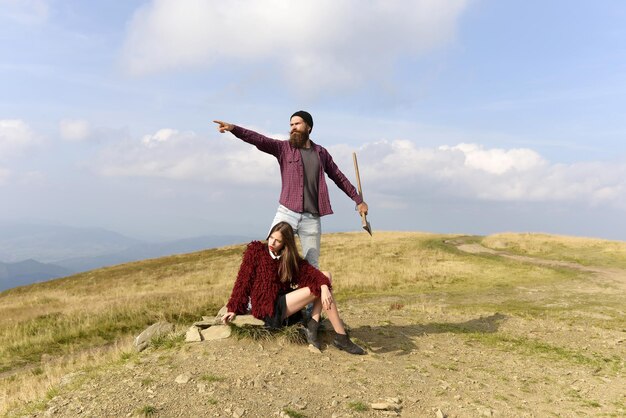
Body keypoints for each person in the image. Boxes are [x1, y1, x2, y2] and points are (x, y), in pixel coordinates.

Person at [213, 111, 368, 270]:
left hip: (312, 218)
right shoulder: (283, 148)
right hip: (286, 212)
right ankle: (268, 294)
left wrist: (358, 200)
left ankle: (305, 294)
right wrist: (233, 129)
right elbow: (258, 139)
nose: (293, 128)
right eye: (291, 125)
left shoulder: (321, 153)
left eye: (297, 124)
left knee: (312, 265)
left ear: (308, 127)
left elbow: (338, 177)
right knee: (270, 256)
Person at [221, 221, 365, 355]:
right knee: (323, 283)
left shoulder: (289, 258)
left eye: (278, 240)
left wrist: (325, 287)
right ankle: (340, 336)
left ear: (285, 243)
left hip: (283, 301)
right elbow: (242, 281)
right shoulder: (256, 251)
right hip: (269, 309)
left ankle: (314, 325)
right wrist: (233, 309)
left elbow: (312, 274)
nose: (272, 242)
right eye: (271, 237)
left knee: (325, 277)